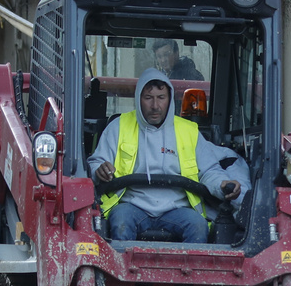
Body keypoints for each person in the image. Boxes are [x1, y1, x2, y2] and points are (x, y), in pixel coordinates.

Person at [90, 68, 244, 243]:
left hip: (177, 207)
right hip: (132, 205)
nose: (155, 105)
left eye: (161, 98)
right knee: (121, 222)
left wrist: (222, 184)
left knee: (198, 226)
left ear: (170, 99)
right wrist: (98, 170)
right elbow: (97, 162)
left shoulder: (188, 131)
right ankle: (121, 271)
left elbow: (209, 171)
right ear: (138, 99)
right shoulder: (118, 127)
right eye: (148, 98)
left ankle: (190, 271)